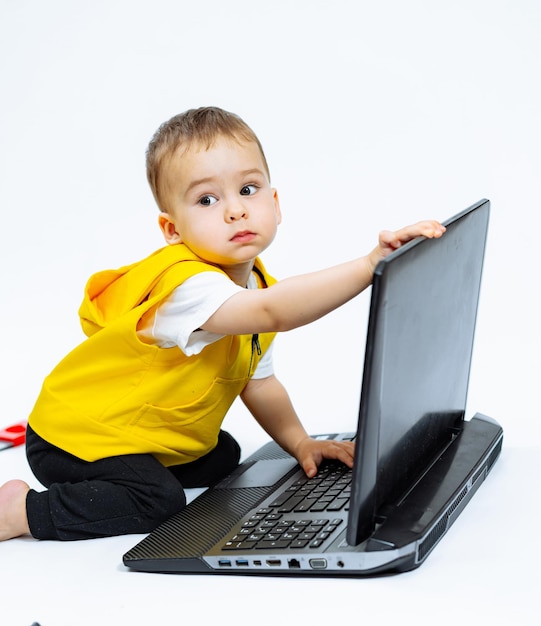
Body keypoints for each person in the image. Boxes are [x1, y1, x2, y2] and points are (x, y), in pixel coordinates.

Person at [0, 106, 445, 541]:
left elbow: (259, 383)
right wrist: (370, 265)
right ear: (172, 230)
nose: (235, 210)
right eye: (207, 199)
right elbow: (274, 312)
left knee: (225, 454)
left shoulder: (256, 284)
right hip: (75, 437)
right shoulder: (185, 287)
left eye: (248, 190)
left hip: (138, 432)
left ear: (275, 202)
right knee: (159, 501)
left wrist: (301, 443)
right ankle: (21, 511)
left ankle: (129, 478)